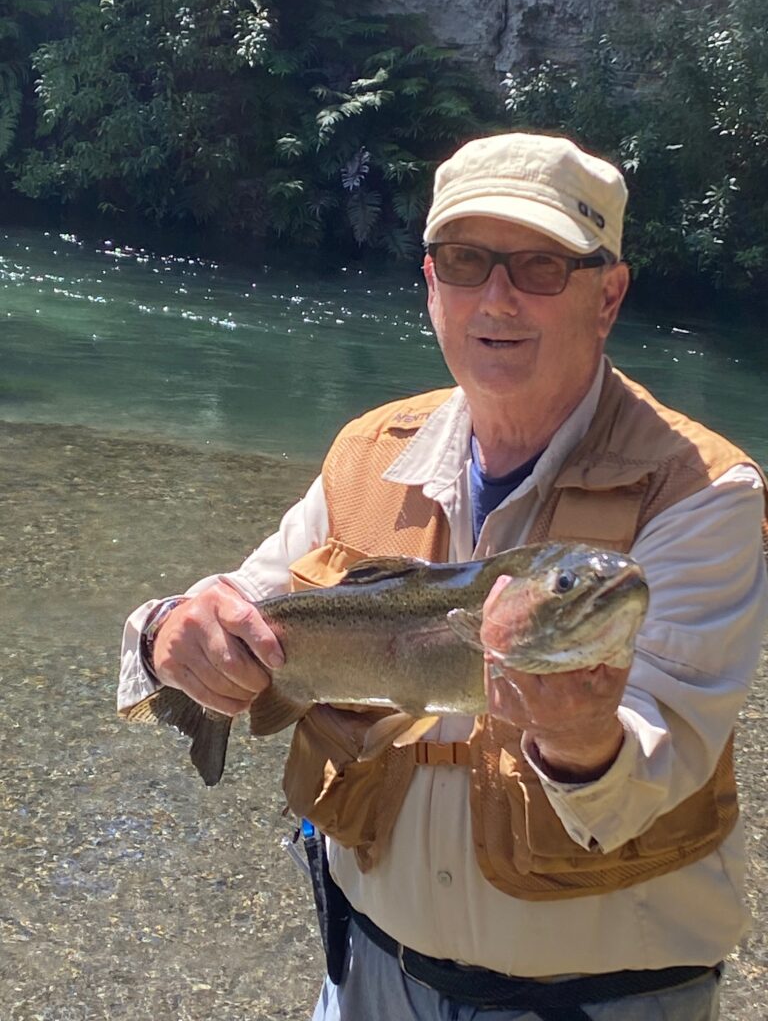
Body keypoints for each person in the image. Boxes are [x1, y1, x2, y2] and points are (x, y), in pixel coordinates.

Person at [119, 133, 768, 1021]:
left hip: (600, 1004)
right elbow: (240, 603)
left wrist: (584, 743)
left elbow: (664, 761)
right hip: (362, 981)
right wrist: (168, 634)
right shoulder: (367, 449)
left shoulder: (702, 491)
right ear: (432, 284)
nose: (496, 296)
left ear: (608, 293)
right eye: (466, 262)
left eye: (541, 266)